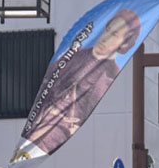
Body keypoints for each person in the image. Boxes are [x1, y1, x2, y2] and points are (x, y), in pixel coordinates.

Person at [22, 9, 142, 155]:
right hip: (45, 123)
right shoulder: (73, 57)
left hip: (68, 136)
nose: (105, 37)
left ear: (124, 44)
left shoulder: (112, 76)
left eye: (114, 35)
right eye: (107, 30)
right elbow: (48, 84)